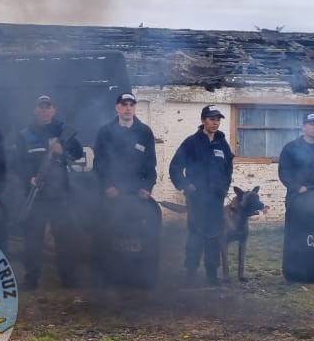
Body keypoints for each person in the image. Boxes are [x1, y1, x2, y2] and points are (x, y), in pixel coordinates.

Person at [17, 95, 85, 289]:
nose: (45, 111)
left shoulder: (63, 131)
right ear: (35, 110)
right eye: (41, 107)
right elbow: (18, 163)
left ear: (54, 110)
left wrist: (63, 149)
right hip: (36, 194)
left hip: (60, 195)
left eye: (48, 107)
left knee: (65, 238)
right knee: (32, 240)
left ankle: (68, 279)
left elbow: (78, 153)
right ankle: (31, 279)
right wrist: (28, 178)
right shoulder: (25, 134)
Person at [168, 105, 235, 285]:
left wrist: (224, 188)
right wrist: (186, 186)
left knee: (213, 235)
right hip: (197, 198)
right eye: (212, 119)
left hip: (215, 198)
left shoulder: (223, 144)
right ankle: (191, 272)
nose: (215, 122)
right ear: (203, 120)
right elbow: (175, 167)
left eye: (218, 119)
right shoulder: (191, 142)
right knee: (196, 235)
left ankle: (212, 274)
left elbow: (228, 169)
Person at [93, 92, 157, 201]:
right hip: (112, 194)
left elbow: (150, 163)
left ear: (135, 108)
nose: (128, 108)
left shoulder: (145, 132)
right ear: (117, 107)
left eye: (131, 105)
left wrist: (147, 187)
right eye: (124, 105)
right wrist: (107, 186)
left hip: (138, 194)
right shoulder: (105, 132)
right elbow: (99, 163)